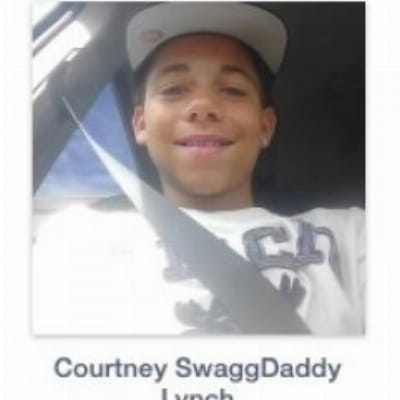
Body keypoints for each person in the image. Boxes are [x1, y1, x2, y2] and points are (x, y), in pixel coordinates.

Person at [33, 2, 364, 335]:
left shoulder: (352, 234)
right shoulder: (78, 240)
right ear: (140, 124)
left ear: (265, 126)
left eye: (233, 90)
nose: (203, 106)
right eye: (173, 89)